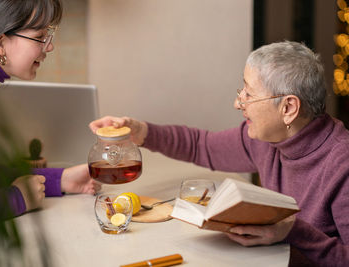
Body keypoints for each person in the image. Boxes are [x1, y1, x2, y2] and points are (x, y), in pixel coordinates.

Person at [90, 41, 349, 266]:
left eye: (248, 93)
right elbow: (201, 145)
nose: (238, 103)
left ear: (288, 108)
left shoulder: (342, 164)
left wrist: (291, 230)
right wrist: (141, 131)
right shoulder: (267, 139)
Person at [0, 0, 100, 232]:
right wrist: (17, 199)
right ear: (0, 42)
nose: (49, 47)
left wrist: (58, 180)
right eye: (40, 36)